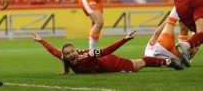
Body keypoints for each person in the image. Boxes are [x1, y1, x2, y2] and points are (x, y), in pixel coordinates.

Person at [31, 31, 183, 74]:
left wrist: (124, 39)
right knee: (139, 63)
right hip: (105, 66)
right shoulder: (65, 57)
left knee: (139, 64)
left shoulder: (87, 55)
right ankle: (169, 61)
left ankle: (169, 61)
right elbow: (53, 51)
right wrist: (41, 40)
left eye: (72, 52)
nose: (70, 55)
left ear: (76, 50)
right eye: (67, 54)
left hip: (112, 64)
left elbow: (106, 51)